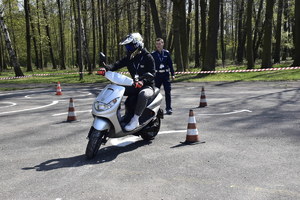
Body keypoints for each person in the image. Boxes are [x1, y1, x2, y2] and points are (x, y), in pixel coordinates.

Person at [98, 33, 156, 132]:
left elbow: (152, 73)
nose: (128, 48)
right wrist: (106, 68)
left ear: (137, 44)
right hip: (135, 85)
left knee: (143, 94)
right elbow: (117, 64)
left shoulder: (148, 57)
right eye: (126, 46)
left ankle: (135, 119)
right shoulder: (129, 58)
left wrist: (143, 81)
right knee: (116, 90)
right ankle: (115, 115)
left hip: (147, 86)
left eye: (129, 46)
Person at [151, 38, 175, 115]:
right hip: (157, 75)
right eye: (157, 44)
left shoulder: (166, 53)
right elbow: (151, 65)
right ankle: (155, 109)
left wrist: (173, 74)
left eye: (159, 43)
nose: (158, 45)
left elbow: (170, 64)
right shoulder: (153, 54)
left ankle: (168, 108)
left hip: (165, 75)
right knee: (155, 92)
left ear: (163, 44)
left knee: (167, 91)